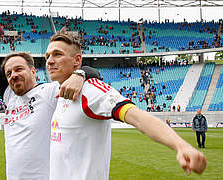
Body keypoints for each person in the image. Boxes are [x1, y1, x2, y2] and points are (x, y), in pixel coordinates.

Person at [45, 29, 207, 180]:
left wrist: (181, 146)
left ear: (77, 60)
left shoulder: (90, 90)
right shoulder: (58, 93)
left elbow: (137, 117)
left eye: (57, 54)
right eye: (47, 57)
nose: (50, 61)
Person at [0, 3, 100, 180]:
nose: (13, 75)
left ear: (33, 71)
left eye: (19, 69)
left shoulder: (49, 92)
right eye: (9, 73)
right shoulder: (10, 97)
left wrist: (80, 74)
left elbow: (94, 73)